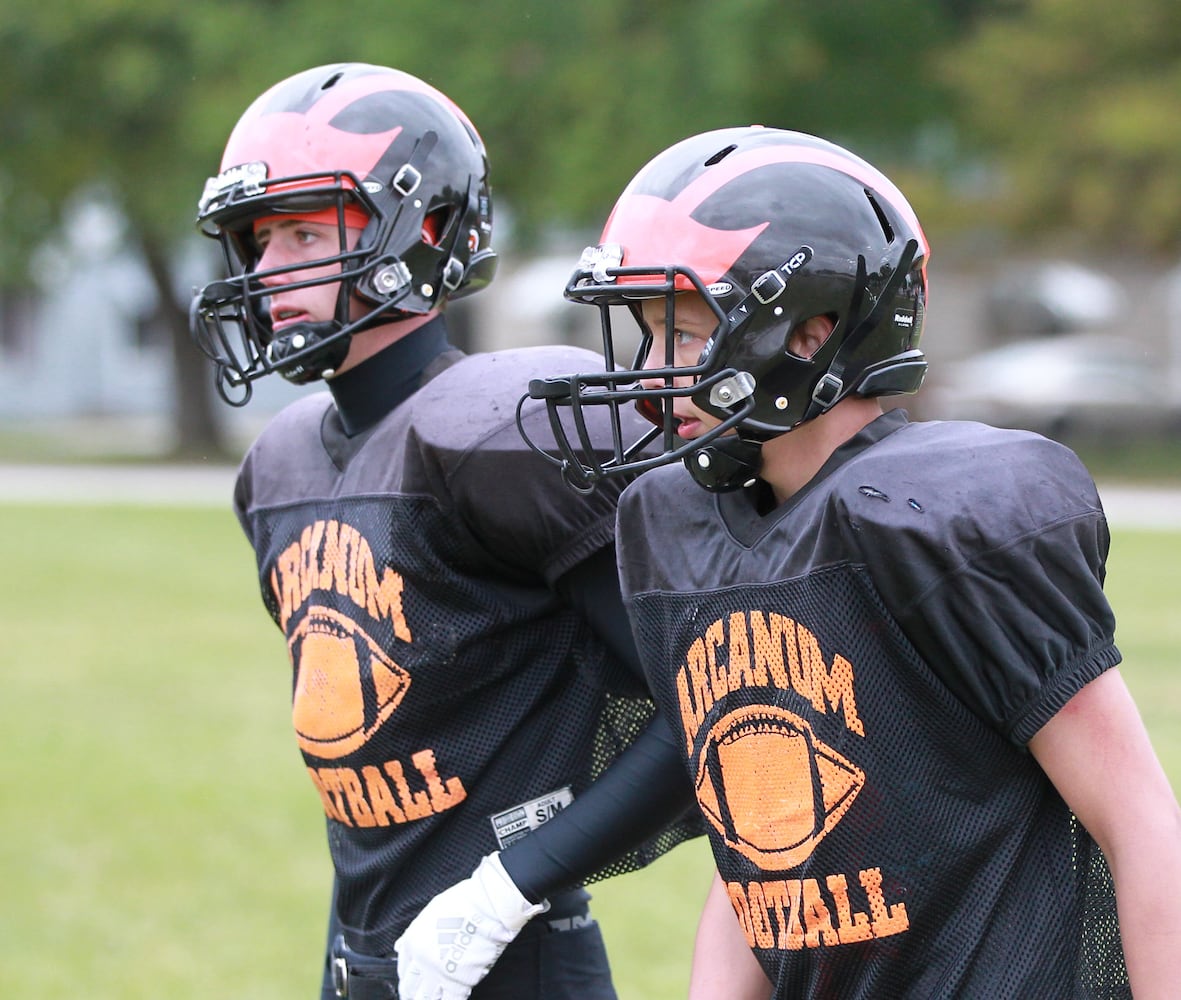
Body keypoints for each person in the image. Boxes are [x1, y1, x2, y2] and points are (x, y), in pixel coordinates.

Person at [517, 125, 1181, 998]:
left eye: (681, 334)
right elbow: (754, 838)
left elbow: (1136, 821)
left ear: (807, 334)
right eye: (647, 336)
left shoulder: (933, 515)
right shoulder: (676, 524)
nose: (652, 375)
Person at [189, 63, 700, 1000]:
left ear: (419, 233)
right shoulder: (280, 464)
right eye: (259, 242)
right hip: (363, 957)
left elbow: (705, 706)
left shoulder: (501, 428)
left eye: (304, 232)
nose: (266, 273)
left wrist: (512, 884)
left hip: (512, 957)